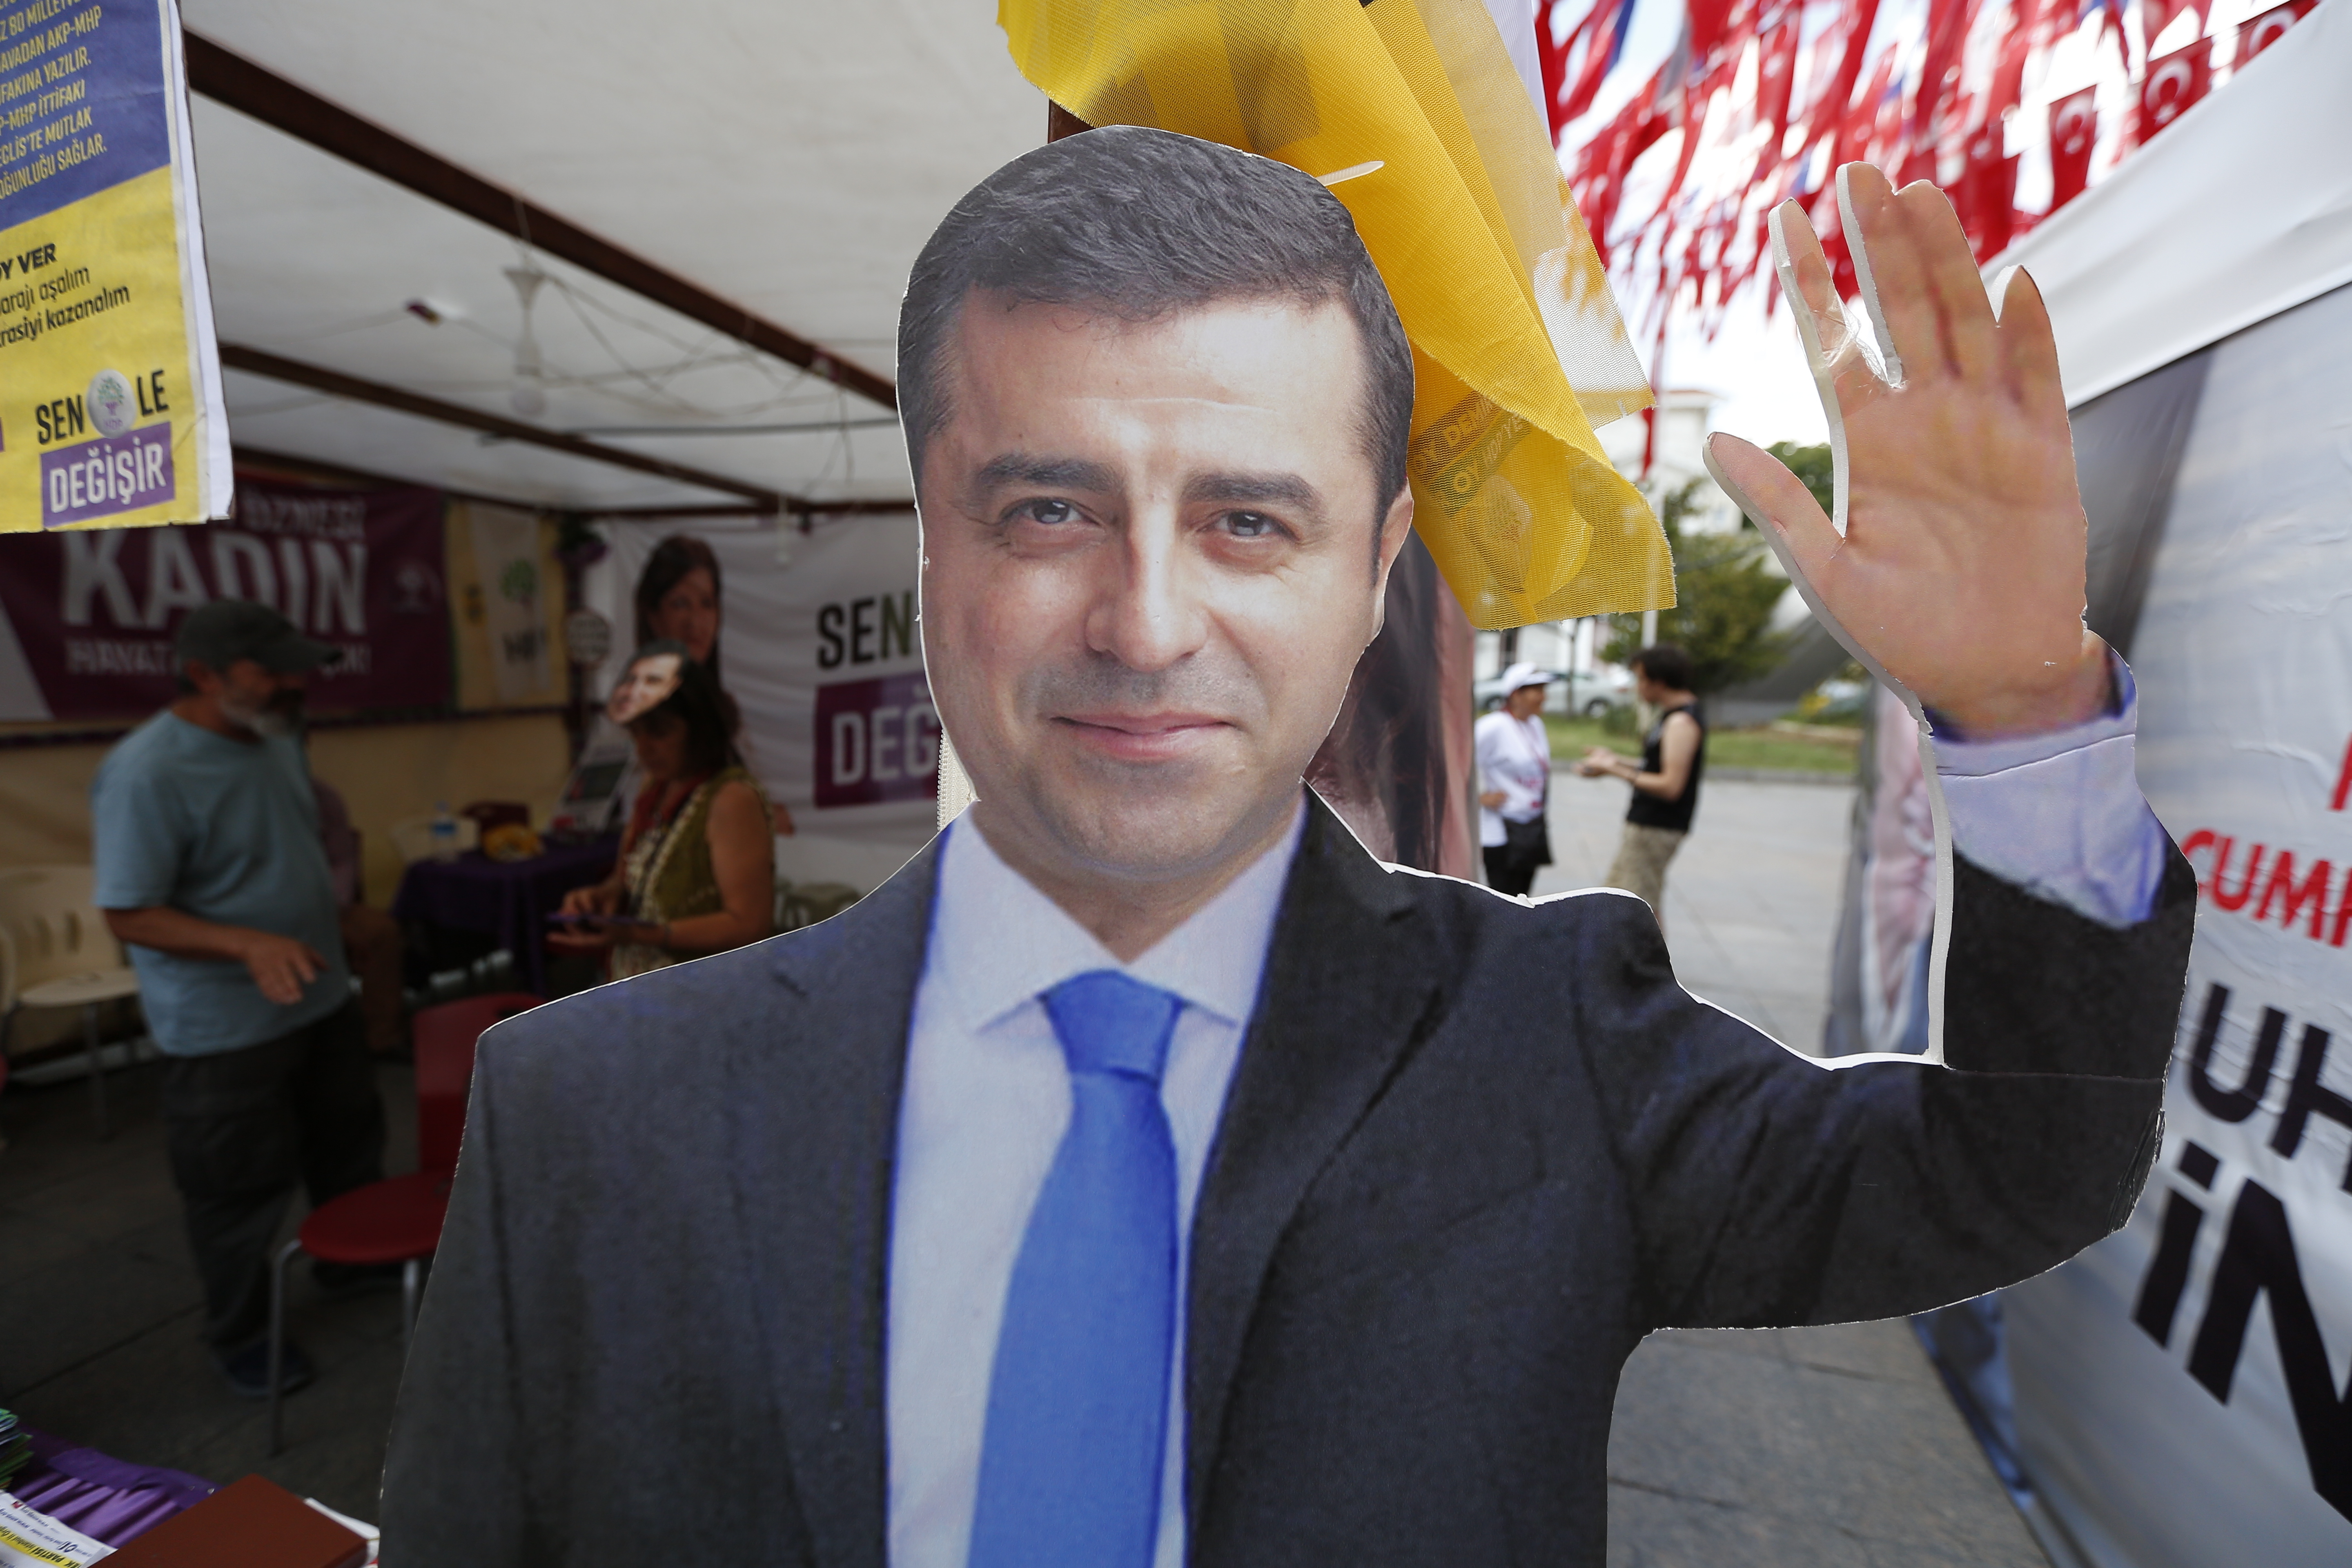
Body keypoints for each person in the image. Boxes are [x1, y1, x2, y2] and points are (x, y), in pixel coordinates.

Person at [382, 135, 2192, 1566]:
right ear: (928, 532)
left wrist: (2029, 712)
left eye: (1250, 518)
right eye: (1045, 508)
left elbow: (2016, 1171)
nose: (1146, 621)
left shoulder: (1562, 1038)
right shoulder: (586, 1115)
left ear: (1375, 567)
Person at [91, 600, 387, 1400]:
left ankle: (346, 1262)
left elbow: (280, 850)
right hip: (224, 1026)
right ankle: (243, 1332)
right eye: (273, 670)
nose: (296, 683)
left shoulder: (277, 733)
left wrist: (339, 915)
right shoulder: (148, 772)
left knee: (348, 1142)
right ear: (204, 676)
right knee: (237, 1186)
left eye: (300, 666)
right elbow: (128, 910)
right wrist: (248, 943)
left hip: (319, 997)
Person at [552, 642, 774, 979]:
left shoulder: (730, 799)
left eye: (660, 732)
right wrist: (602, 898)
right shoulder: (655, 790)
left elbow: (749, 924)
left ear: (700, 727)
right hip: (643, 991)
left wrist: (641, 934)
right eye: (636, 734)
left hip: (705, 998)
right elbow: (629, 878)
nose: (644, 749)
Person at [1580, 644, 1705, 930]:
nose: (1638, 687)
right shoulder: (1673, 715)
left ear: (1658, 682)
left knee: (1638, 907)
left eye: (1640, 679)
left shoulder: (1681, 722)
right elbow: (1656, 765)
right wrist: (1614, 760)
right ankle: (1634, 970)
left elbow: (1670, 784)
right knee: (1625, 898)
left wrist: (1614, 770)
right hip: (1648, 824)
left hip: (1657, 827)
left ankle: (1648, 973)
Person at [1474, 662, 1553, 894]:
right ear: (1516, 694)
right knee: (1503, 902)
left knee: (1524, 900)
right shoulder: (1492, 727)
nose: (1543, 697)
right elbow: (1456, 762)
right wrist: (1478, 798)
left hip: (1530, 827)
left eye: (1543, 690)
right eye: (1537, 690)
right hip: (1500, 831)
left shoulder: (1535, 724)